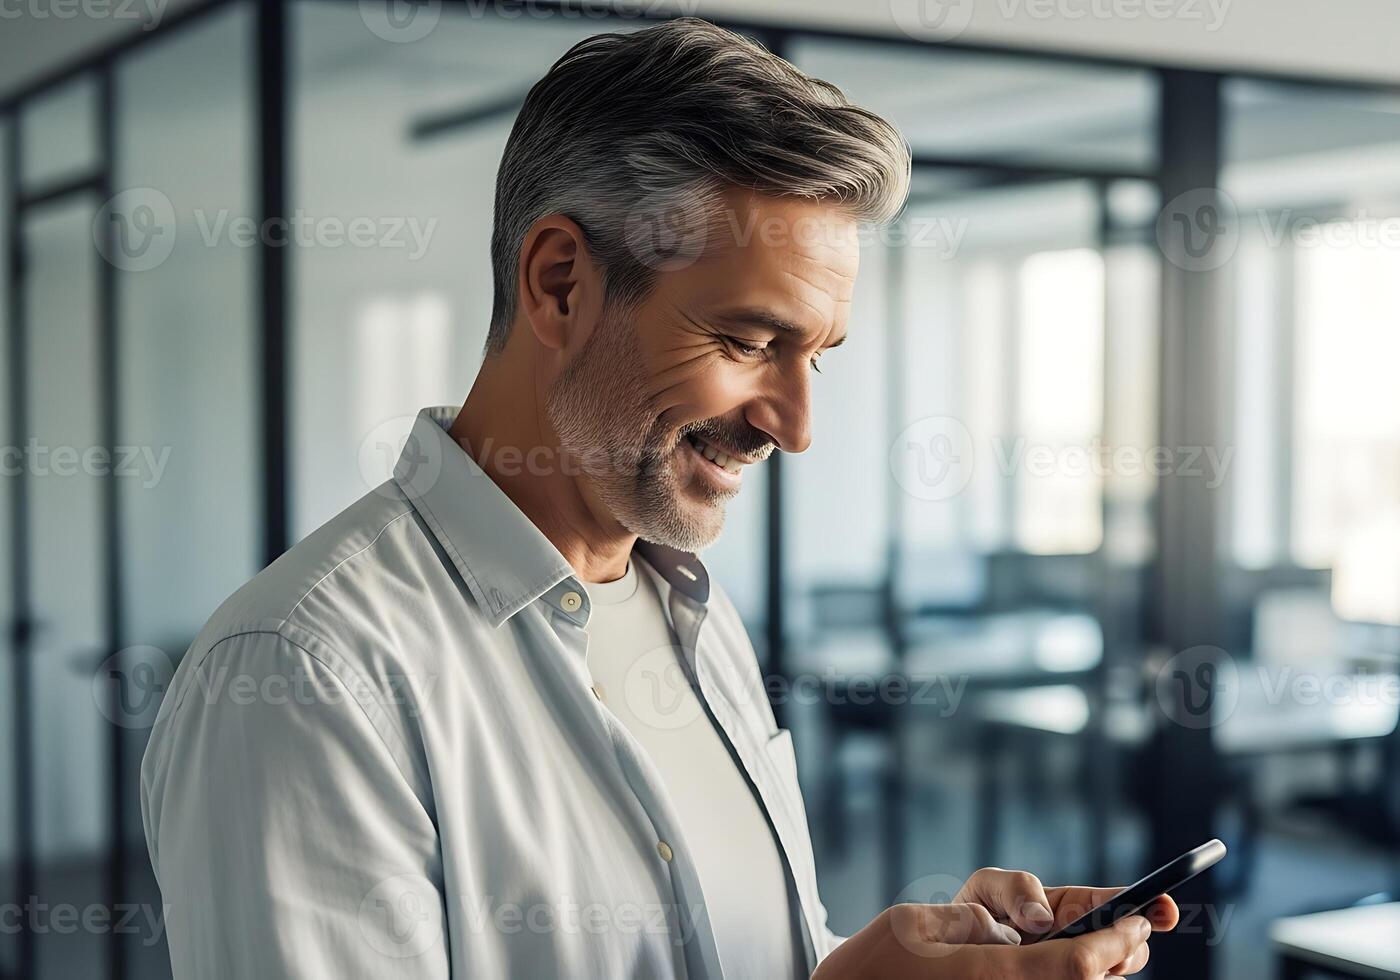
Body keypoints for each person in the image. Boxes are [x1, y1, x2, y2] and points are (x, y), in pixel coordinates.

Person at [140, 17, 1176, 978]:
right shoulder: (306, 676)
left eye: (816, 356)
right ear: (559, 284)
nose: (795, 425)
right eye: (748, 340)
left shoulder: (697, 618)